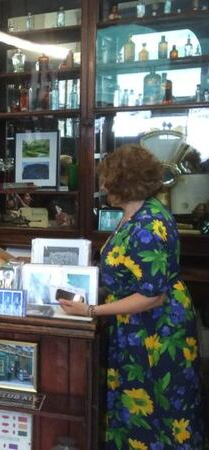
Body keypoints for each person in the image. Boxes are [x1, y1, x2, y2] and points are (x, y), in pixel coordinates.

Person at [58, 145, 205, 448]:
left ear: (125, 183)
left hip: (157, 331)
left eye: (107, 180)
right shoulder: (134, 213)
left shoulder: (149, 225)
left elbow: (152, 296)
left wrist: (91, 311)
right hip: (135, 326)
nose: (102, 187)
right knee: (137, 408)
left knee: (159, 408)